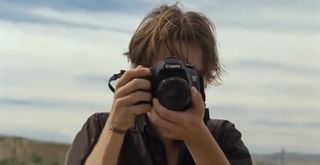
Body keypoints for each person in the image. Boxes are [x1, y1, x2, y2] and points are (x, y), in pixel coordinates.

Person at [65, 3, 252, 165]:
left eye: (186, 73)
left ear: (206, 77)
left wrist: (198, 138)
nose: (174, 85)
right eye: (165, 73)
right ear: (139, 73)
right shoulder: (100, 128)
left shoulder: (222, 137)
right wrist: (115, 128)